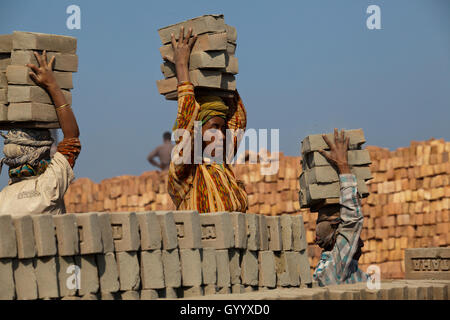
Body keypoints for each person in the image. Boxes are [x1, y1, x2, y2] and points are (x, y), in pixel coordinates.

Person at [165, 27, 248, 213]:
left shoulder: (223, 164)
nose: (220, 135)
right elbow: (186, 129)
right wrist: (182, 68)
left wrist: (219, 74)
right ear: (197, 130)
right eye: (213, 128)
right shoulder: (186, 173)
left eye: (222, 129)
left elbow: (238, 121)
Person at [0, 51, 81, 216]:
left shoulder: (3, 199)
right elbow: (71, 138)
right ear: (40, 154)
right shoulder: (49, 186)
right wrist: (52, 85)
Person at [312, 128, 368, 286]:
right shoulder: (334, 270)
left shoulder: (342, 273)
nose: (361, 243)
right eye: (357, 238)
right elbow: (352, 222)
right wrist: (343, 166)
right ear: (339, 235)